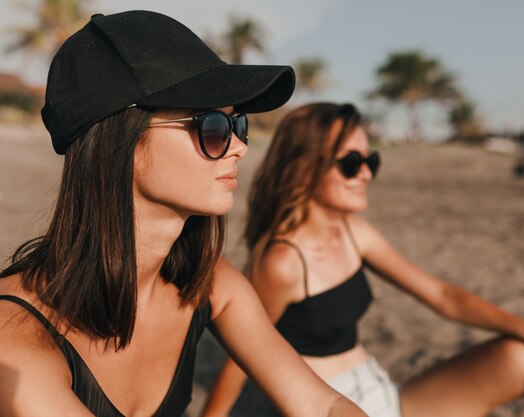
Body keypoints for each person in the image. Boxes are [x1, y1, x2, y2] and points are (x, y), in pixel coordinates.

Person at [0, 13, 367, 417]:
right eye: (212, 127)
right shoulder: (14, 341)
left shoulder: (204, 282)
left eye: (237, 123)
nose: (239, 147)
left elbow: (322, 403)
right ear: (121, 142)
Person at [201, 102, 524, 417]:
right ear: (305, 168)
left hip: (388, 396)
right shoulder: (282, 261)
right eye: (351, 163)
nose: (365, 173)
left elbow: (443, 296)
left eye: (370, 161)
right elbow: (239, 361)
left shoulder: (354, 233)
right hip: (335, 405)